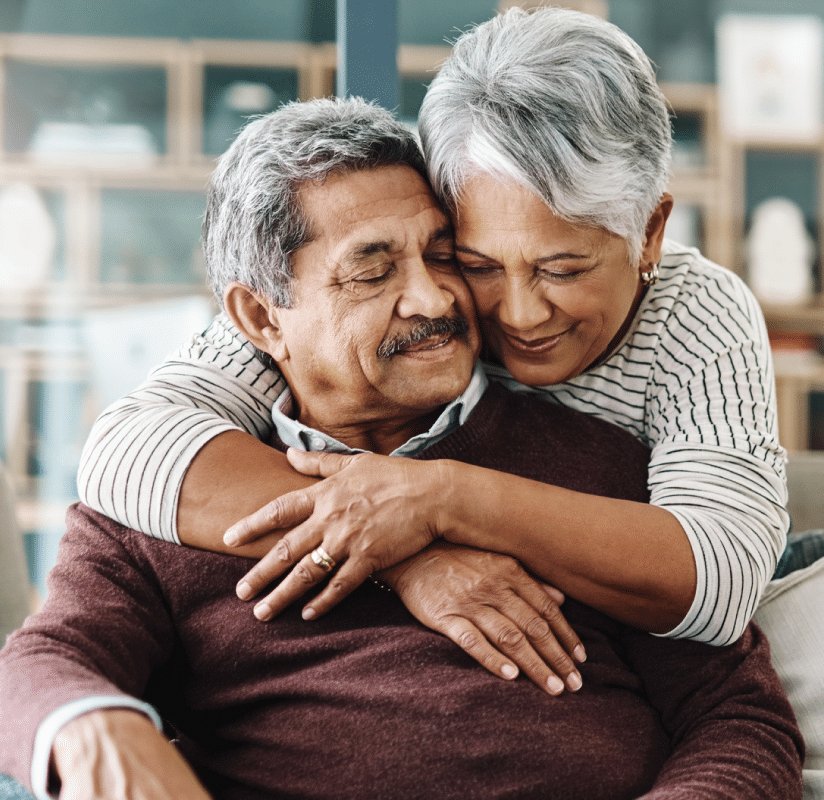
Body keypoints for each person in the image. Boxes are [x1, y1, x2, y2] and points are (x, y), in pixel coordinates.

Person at [0, 96, 803, 800]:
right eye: (373, 271)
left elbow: (740, 719)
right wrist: (97, 730)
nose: (434, 296)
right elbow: (32, 669)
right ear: (261, 319)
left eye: (444, 255)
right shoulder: (169, 500)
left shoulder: (596, 474)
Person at [75, 7, 787, 690]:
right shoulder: (408, 301)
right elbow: (126, 448)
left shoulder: (695, 315)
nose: (518, 313)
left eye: (562, 269)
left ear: (651, 234)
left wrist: (441, 498)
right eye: (475, 262)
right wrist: (411, 551)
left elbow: (722, 582)